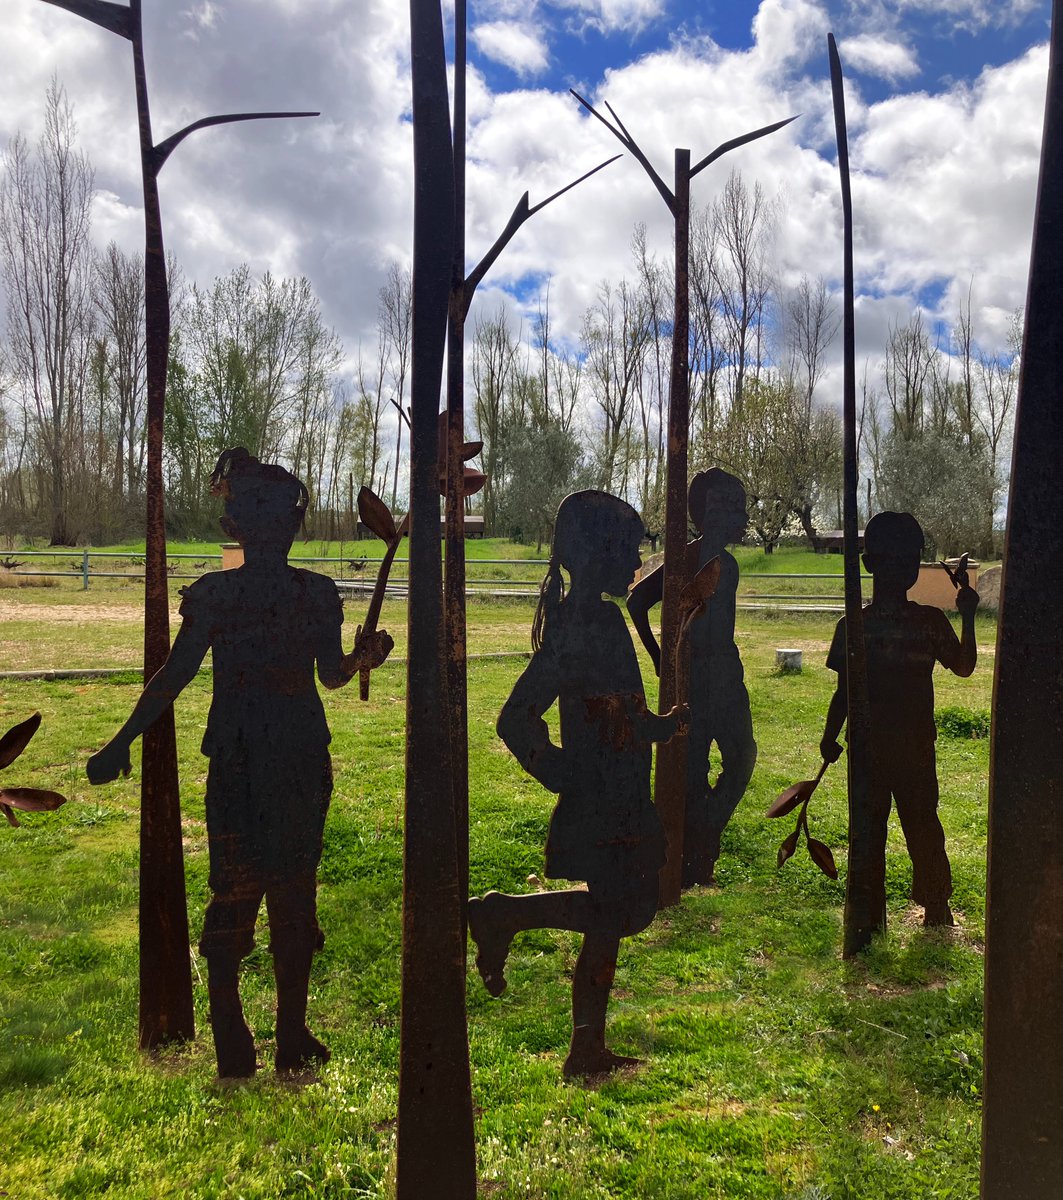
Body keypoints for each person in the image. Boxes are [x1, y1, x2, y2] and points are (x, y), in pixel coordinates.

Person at [87, 448, 393, 1077]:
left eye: (281, 511)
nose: (273, 523)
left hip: (286, 760)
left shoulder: (302, 595)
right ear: (241, 523)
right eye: (261, 510)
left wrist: (363, 657)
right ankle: (240, 1031)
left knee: (283, 893)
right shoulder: (228, 596)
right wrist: (122, 740)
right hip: (254, 759)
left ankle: (282, 1033)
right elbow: (175, 675)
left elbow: (329, 674)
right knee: (248, 892)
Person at [468, 490, 685, 1078]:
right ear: (597, 553)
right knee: (625, 910)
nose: (636, 565)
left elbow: (610, 707)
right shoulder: (590, 621)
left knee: (616, 911)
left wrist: (655, 730)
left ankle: (586, 1046)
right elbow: (519, 717)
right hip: (606, 798)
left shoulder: (589, 618)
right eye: (628, 551)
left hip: (618, 790)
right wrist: (562, 769)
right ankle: (505, 915)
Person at [820, 510, 978, 927]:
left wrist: (967, 615)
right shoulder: (855, 627)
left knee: (920, 823)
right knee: (879, 829)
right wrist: (830, 735)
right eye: (892, 559)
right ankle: (878, 910)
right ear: (870, 564)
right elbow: (845, 693)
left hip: (908, 748)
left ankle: (934, 903)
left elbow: (963, 666)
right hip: (875, 749)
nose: (900, 568)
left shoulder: (921, 623)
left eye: (907, 559)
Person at [627, 468, 756, 887]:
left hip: (727, 675)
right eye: (730, 507)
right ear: (707, 513)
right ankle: (689, 863)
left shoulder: (729, 566)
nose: (739, 517)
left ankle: (706, 836)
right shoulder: (682, 560)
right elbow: (637, 602)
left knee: (742, 758)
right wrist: (662, 659)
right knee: (692, 770)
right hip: (694, 678)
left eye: (739, 508)